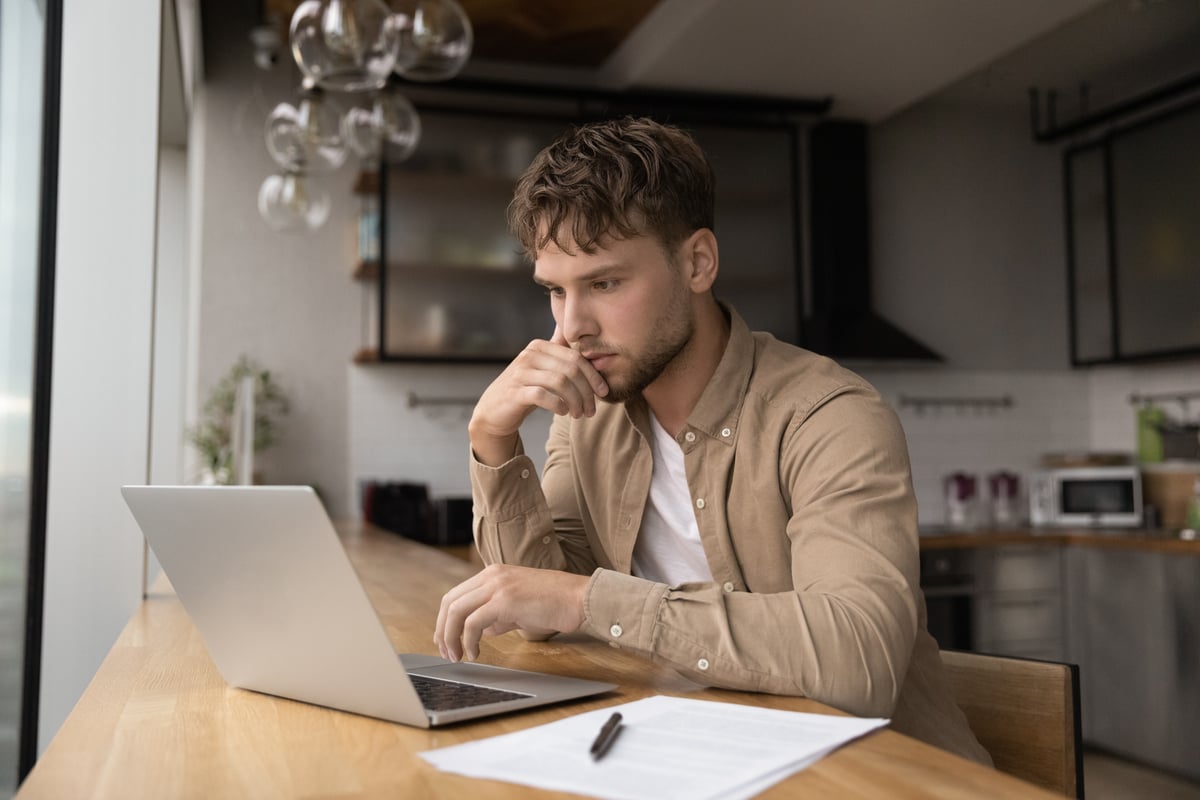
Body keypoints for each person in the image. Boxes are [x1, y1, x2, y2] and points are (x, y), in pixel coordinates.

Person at [433, 117, 990, 764]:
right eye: (556, 291)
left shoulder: (829, 415)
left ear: (697, 262)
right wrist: (493, 441)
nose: (570, 328)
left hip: (883, 776)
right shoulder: (590, 416)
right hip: (716, 757)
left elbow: (854, 664)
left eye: (605, 283)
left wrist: (589, 600)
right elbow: (539, 611)